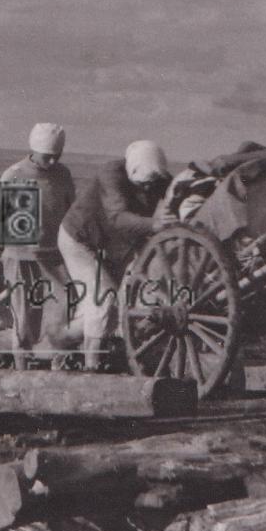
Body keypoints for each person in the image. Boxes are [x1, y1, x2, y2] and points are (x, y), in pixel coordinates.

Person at [57, 140, 174, 369]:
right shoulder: (111, 175)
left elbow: (174, 198)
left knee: (113, 305)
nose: (148, 189)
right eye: (144, 185)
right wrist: (154, 224)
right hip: (80, 240)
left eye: (151, 185)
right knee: (103, 297)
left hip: (116, 244)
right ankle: (91, 364)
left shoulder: (159, 178)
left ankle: (65, 341)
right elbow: (117, 217)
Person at [0, 123, 77, 365]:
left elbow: (72, 214)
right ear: (34, 150)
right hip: (20, 259)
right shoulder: (12, 175)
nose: (52, 162)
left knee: (63, 312)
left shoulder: (63, 175)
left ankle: (59, 368)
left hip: (55, 258)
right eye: (47, 156)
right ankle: (22, 371)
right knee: (24, 319)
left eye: (57, 156)